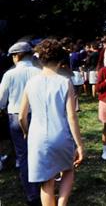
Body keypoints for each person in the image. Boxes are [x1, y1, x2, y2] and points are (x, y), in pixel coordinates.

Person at [18, 38, 84, 206]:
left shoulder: (31, 83)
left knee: (46, 182)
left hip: (37, 138)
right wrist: (79, 144)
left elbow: (21, 116)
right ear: (60, 60)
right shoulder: (64, 82)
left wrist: (26, 132)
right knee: (68, 169)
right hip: (61, 135)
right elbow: (71, 116)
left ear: (40, 59)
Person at [0, 42, 42, 206]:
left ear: (17, 56)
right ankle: (43, 188)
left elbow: (1, 99)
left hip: (16, 117)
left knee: (23, 156)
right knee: (38, 153)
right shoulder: (39, 72)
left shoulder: (9, 75)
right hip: (37, 116)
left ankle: (32, 196)